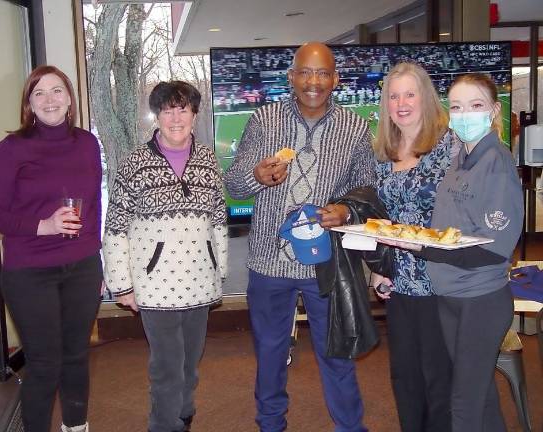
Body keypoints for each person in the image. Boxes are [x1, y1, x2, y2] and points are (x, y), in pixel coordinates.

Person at [224, 41, 375, 432]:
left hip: (327, 263)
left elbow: (368, 192)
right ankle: (270, 424)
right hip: (269, 262)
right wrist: (255, 177)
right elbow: (235, 183)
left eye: (323, 73)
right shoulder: (264, 120)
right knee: (271, 354)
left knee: (336, 354)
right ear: (291, 77)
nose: (313, 81)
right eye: (305, 72)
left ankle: (350, 427)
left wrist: (345, 210)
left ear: (335, 79)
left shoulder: (355, 128)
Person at [0, 65, 102, 432]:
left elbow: (93, 207)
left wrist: (97, 264)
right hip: (30, 272)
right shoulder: (13, 148)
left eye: (57, 90)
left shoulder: (87, 143)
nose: (50, 100)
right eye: (39, 93)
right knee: (46, 362)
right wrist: (44, 225)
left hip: (81, 266)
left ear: (69, 98)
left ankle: (76, 427)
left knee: (77, 355)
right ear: (29, 104)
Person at [399, 73, 522, 431]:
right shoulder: (459, 159)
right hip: (450, 296)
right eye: (456, 107)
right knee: (479, 398)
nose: (465, 114)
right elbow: (454, 231)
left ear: (494, 111)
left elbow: (494, 250)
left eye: (476, 105)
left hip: (480, 299)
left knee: (463, 405)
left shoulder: (496, 163)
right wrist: (422, 239)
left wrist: (424, 248)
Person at [102, 81, 227, 432]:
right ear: (157, 116)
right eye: (167, 110)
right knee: (168, 367)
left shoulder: (207, 160)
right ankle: (163, 425)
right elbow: (114, 227)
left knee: (190, 364)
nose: (175, 117)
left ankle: (183, 416)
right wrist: (122, 285)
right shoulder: (135, 164)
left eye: (182, 109)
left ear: (194, 114)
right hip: (155, 288)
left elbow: (218, 217)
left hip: (200, 284)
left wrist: (220, 272)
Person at [370, 62, 455, 432]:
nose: (401, 103)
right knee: (405, 378)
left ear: (425, 98)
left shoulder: (450, 147)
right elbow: (381, 216)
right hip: (400, 286)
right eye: (393, 95)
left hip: (441, 282)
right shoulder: (383, 151)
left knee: (440, 380)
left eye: (409, 93)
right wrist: (378, 269)